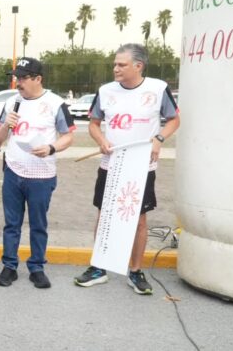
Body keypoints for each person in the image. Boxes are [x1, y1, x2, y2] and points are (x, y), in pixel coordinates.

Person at [74, 43, 180, 294]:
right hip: (111, 164)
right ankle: (98, 267)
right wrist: (102, 141)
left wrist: (159, 139)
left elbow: (174, 120)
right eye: (115, 64)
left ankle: (135, 271)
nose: (115, 68)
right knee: (104, 214)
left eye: (121, 64)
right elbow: (94, 124)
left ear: (138, 66)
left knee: (139, 219)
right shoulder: (105, 91)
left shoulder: (157, 89)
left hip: (141, 167)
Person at [0, 58, 75, 289]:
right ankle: (9, 266)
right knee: (11, 223)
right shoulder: (12, 104)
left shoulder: (55, 103)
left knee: (38, 224)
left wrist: (51, 148)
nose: (18, 82)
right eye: (16, 77)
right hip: (14, 171)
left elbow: (68, 136)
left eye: (23, 78)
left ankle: (36, 267)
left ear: (38, 79)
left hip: (42, 175)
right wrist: (5, 125)